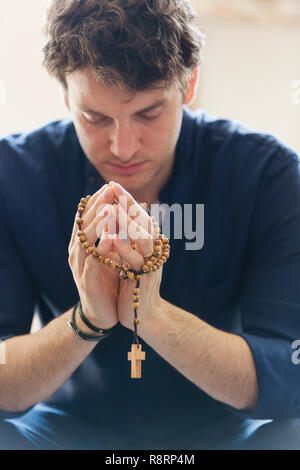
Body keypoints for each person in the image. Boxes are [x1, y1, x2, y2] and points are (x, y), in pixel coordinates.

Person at [0, 0, 300, 450]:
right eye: (95, 118)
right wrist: (87, 320)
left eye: (149, 113)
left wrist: (154, 315)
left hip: (225, 430)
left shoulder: (264, 175)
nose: (123, 147)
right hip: (64, 425)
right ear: (65, 95)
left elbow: (288, 375)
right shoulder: (14, 176)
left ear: (190, 84)